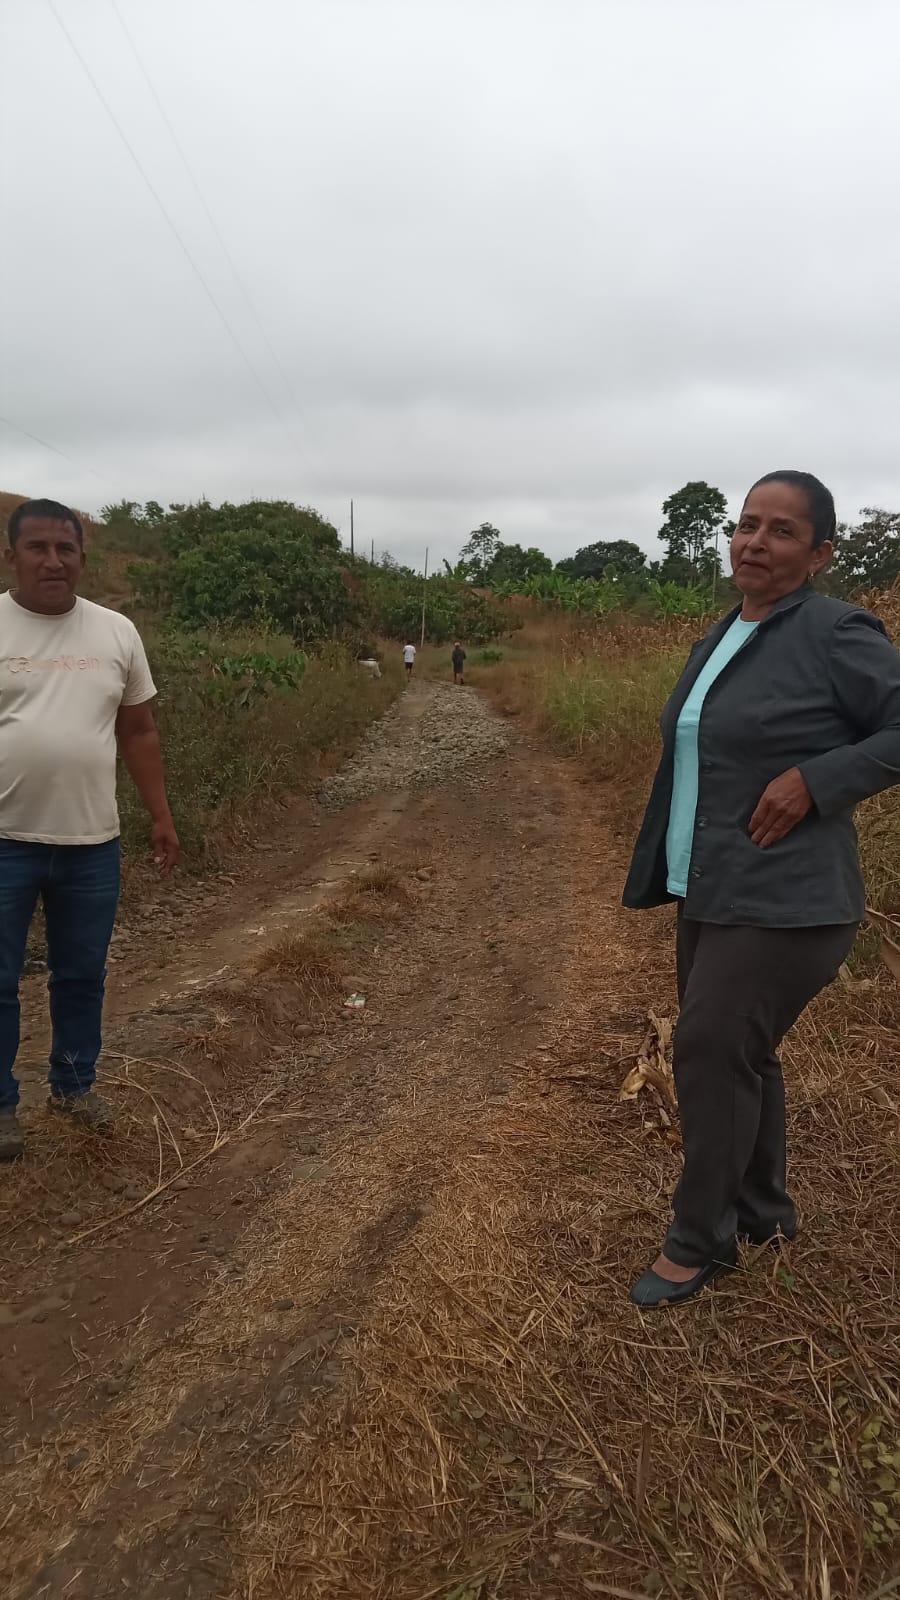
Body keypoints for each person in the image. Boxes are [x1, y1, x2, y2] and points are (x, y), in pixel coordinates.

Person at [623, 470, 900, 1308]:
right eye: (747, 524)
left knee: (708, 1050)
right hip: (711, 888)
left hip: (790, 900)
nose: (755, 541)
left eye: (782, 530)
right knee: (742, 1052)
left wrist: (818, 780)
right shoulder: (722, 636)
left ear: (820, 554)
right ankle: (763, 1213)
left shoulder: (836, 631)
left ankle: (698, 1240)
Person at [0, 499, 179, 1162]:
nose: (53, 561)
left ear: (82, 558)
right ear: (11, 556)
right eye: (38, 548)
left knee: (81, 975)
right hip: (4, 842)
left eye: (65, 549)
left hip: (91, 845)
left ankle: (74, 1087)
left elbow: (138, 731)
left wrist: (160, 816)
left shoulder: (115, 632)